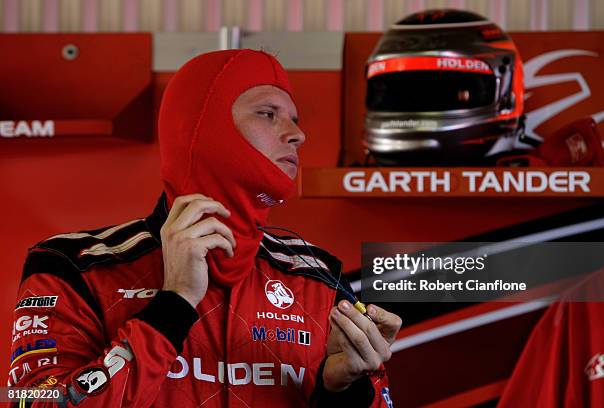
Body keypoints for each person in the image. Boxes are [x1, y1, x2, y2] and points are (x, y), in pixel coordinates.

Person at [8, 49, 401, 407]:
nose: (299, 134)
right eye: (268, 113)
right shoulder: (72, 266)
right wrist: (173, 304)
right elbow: (32, 404)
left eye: (294, 119)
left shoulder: (318, 277)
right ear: (203, 125)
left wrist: (341, 389)